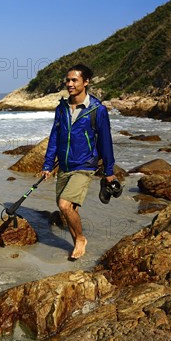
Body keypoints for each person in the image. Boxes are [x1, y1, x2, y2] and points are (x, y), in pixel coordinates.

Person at [41, 64, 116, 260]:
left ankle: (81, 238)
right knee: (64, 206)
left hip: (84, 165)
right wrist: (48, 164)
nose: (70, 84)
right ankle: (76, 243)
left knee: (65, 205)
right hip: (64, 165)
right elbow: (55, 136)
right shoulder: (62, 108)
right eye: (68, 80)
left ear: (86, 82)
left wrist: (109, 171)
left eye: (74, 80)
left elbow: (105, 141)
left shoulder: (97, 110)